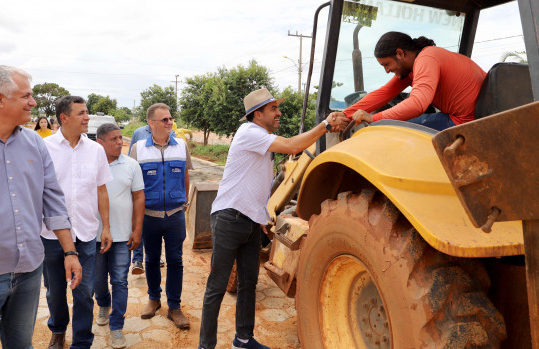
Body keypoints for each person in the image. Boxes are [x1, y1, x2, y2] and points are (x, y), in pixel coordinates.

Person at [198, 88, 349, 349]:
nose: (279, 113)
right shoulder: (249, 133)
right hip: (229, 219)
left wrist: (261, 219)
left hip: (248, 221)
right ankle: (205, 345)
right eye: (273, 109)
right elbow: (293, 145)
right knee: (217, 286)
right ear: (257, 115)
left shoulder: (262, 138)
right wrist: (325, 124)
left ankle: (243, 339)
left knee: (249, 283)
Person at [0, 65, 82, 348]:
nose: (33, 102)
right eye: (26, 96)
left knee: (21, 344)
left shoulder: (35, 142)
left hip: (29, 271)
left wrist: (69, 251)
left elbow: (53, 200)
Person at [41, 95, 113, 349]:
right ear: (64, 118)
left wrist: (106, 226)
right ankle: (58, 331)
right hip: (50, 235)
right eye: (81, 113)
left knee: (84, 293)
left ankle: (82, 341)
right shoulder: (45, 147)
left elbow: (101, 190)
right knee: (55, 292)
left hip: (84, 233)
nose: (87, 117)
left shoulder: (95, 151)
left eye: (87, 112)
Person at [329, 31, 487, 131]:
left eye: (387, 64)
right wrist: (344, 114)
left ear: (400, 53)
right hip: (468, 119)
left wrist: (373, 118)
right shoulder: (413, 67)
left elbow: (417, 104)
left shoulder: (426, 59)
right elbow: (383, 94)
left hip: (465, 123)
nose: (387, 71)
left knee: (386, 132)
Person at [129, 103, 193, 329]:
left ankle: (174, 306)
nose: (169, 123)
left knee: (176, 261)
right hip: (149, 216)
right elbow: (134, 185)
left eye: (170, 119)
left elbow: (185, 176)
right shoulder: (138, 148)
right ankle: (154, 299)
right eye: (164, 120)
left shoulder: (181, 145)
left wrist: (183, 202)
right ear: (151, 123)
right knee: (152, 259)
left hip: (175, 215)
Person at [94, 123, 145, 348]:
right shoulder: (91, 165)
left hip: (122, 236)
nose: (119, 142)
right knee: (97, 281)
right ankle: (103, 304)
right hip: (93, 236)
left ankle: (117, 326)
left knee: (120, 281)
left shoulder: (131, 165)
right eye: (113, 139)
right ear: (100, 143)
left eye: (120, 138)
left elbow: (138, 198)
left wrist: (137, 230)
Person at [128, 123, 169, 274]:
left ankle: (156, 257)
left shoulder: (169, 133)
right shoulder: (138, 133)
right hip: (141, 187)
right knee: (140, 224)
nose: (166, 122)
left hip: (159, 190)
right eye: (162, 119)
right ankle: (138, 260)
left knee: (157, 227)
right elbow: (131, 160)